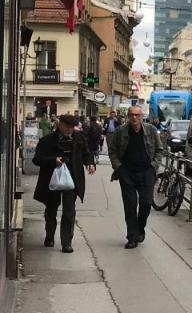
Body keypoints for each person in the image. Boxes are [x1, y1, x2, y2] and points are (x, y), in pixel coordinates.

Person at [33, 113, 95, 253]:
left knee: (69, 211)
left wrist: (90, 163)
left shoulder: (79, 138)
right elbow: (36, 159)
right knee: (51, 209)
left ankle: (66, 242)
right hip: (52, 180)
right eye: (67, 127)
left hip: (72, 180)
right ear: (59, 125)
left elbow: (86, 153)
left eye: (72, 127)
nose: (69, 130)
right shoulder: (47, 140)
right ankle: (50, 235)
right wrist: (53, 160)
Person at [109, 104, 161, 249]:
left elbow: (159, 150)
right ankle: (132, 236)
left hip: (146, 172)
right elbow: (112, 150)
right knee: (130, 206)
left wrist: (153, 166)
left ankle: (140, 228)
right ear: (128, 116)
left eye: (137, 115)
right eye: (131, 115)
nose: (134, 117)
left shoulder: (151, 130)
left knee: (146, 203)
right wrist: (118, 167)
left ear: (142, 116)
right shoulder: (120, 131)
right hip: (127, 173)